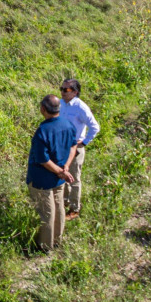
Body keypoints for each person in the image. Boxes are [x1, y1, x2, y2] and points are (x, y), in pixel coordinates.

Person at [26, 94, 78, 251]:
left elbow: (43, 160)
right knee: (59, 207)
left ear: (43, 109)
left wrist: (60, 172)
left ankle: (45, 247)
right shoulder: (68, 124)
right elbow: (73, 146)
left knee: (47, 213)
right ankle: (57, 241)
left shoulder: (43, 131)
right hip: (59, 179)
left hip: (42, 180)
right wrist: (66, 167)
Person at [59, 78, 100, 220]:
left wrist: (85, 142)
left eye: (66, 90)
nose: (63, 92)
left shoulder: (80, 107)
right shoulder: (61, 104)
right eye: (62, 89)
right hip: (61, 146)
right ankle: (63, 202)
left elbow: (95, 126)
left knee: (74, 179)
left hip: (75, 147)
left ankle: (74, 209)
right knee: (62, 175)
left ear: (75, 92)